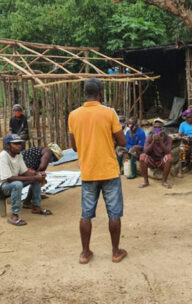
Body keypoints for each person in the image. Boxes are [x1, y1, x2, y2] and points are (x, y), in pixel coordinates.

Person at [68, 78, 128, 264]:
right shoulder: (109, 113)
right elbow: (122, 142)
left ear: (84, 94)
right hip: (109, 171)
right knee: (114, 213)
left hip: (88, 171)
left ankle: (85, 253)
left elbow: (74, 147)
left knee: (86, 214)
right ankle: (116, 252)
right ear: (101, 94)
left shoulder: (74, 115)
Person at [0, 134, 51, 227]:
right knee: (17, 184)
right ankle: (14, 215)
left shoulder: (18, 155)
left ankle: (36, 207)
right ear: (7, 146)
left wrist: (38, 175)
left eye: (20, 143)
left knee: (36, 179)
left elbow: (25, 172)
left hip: (11, 183)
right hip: (0, 187)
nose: (19, 145)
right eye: (15, 144)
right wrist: (34, 177)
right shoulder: (3, 156)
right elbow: (9, 179)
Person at [139, 118, 173, 189]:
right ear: (153, 128)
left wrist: (160, 141)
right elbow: (146, 151)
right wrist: (153, 141)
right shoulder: (149, 137)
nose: (157, 129)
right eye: (155, 127)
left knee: (169, 158)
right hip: (152, 161)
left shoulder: (168, 138)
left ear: (162, 129)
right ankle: (146, 181)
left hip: (161, 161)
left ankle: (164, 181)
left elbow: (167, 152)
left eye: (159, 128)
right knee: (142, 156)